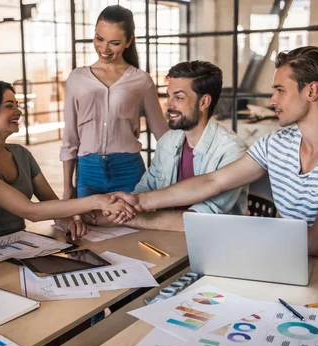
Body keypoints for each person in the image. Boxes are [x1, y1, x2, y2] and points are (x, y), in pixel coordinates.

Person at [111, 46, 318, 259]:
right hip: (288, 260)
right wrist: (140, 201)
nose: (272, 101)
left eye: (279, 90)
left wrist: (233, 233)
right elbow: (212, 181)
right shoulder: (276, 143)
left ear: (311, 91)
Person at [0, 79, 135, 240]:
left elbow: (50, 202)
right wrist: (96, 201)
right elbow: (30, 211)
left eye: (17, 105)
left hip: (20, 244)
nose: (19, 111)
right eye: (9, 106)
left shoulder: (21, 154)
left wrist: (67, 223)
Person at [94, 61, 248, 231]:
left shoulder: (232, 150)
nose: (169, 104)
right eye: (169, 96)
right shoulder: (168, 141)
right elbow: (144, 189)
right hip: (166, 239)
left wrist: (130, 218)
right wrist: (117, 211)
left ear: (204, 102)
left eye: (179, 97)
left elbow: (202, 221)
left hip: (215, 245)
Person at [60, 5, 168, 205]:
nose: (104, 49)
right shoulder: (77, 78)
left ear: (129, 41)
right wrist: (68, 186)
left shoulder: (141, 81)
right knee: (89, 230)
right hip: (88, 172)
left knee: (132, 229)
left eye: (115, 43)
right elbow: (70, 137)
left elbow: (162, 132)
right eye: (99, 39)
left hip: (128, 170)